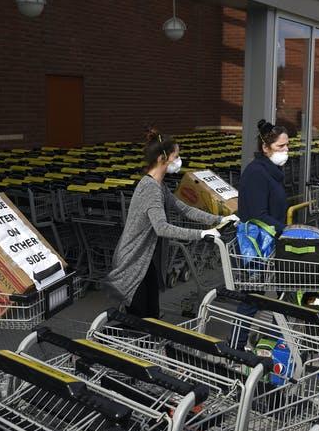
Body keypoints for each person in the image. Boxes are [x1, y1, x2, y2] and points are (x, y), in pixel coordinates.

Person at [105, 127, 238, 318]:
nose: (179, 161)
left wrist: (219, 219)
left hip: (144, 259)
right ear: (162, 158)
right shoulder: (150, 188)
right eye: (176, 156)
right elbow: (161, 228)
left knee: (149, 314)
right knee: (139, 318)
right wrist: (200, 234)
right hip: (133, 261)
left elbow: (183, 208)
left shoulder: (159, 185)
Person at [231, 119, 290, 350]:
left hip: (269, 243)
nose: (286, 151)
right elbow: (257, 215)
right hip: (256, 246)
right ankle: (236, 347)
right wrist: (286, 230)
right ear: (266, 148)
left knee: (284, 293)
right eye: (280, 147)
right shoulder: (257, 173)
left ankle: (274, 341)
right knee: (252, 298)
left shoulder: (272, 171)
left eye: (287, 146)